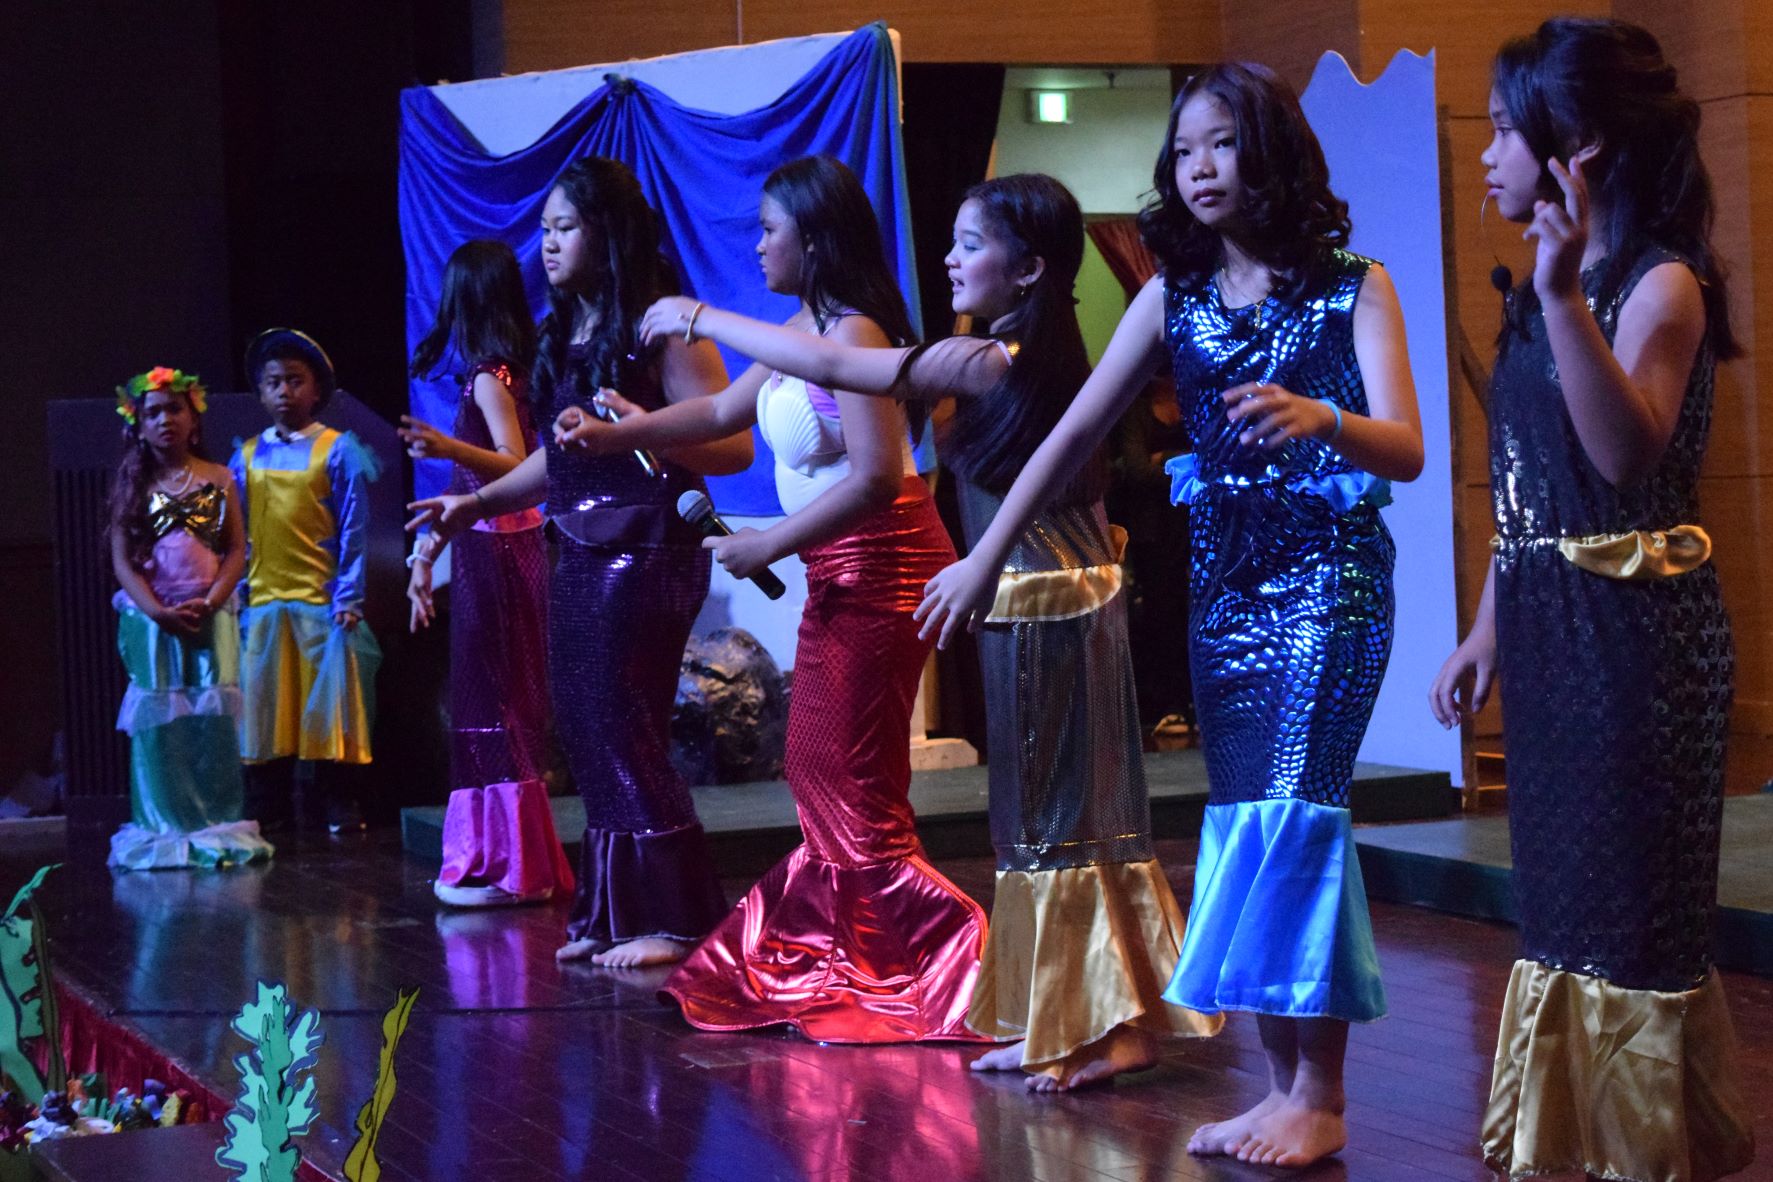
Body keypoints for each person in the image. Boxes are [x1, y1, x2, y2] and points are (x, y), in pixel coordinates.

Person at [917, 65, 1424, 1166]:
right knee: (1244, 826)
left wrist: (1322, 417)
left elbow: (1407, 449)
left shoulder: (1355, 285)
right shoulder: (1170, 296)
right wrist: (982, 558)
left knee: (1295, 816)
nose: (1198, 167)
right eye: (1183, 149)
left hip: (1328, 584)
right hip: (1225, 594)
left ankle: (1321, 1093)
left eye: (1222, 144)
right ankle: (1281, 1087)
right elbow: (1065, 438)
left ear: (1271, 153)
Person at [638, 173, 1222, 1087]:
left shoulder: (990, 362)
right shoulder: (993, 353)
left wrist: (701, 317)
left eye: (970, 245)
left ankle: (1107, 1024)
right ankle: (1063, 1012)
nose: (948, 259)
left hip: (1050, 602)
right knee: (1034, 824)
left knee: (1065, 821)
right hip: (1024, 600)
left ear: (1029, 269)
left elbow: (846, 370)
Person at [561, 155, 986, 1042]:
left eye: (767, 229)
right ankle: (859, 957)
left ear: (813, 237)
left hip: (883, 561)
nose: (755, 246)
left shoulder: (855, 333)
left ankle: (943, 963)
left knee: (842, 773)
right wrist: (621, 432)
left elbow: (877, 477)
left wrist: (767, 543)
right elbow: (721, 416)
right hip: (840, 567)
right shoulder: (805, 328)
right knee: (819, 768)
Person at [1431, 18, 1755, 1181]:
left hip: (1637, 643)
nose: (1486, 153)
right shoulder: (1544, 286)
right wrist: (1486, 629)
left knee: (1631, 918)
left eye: (1504, 129)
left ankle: (1644, 1155)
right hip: (1550, 632)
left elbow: (1621, 461)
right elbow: (1531, 485)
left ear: (1582, 145)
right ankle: (1576, 1145)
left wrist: (1564, 297)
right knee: (1566, 912)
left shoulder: (1662, 282)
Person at [407, 157, 750, 967]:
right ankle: (612, 910)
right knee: (587, 728)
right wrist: (474, 505)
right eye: (546, 228)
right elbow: (557, 459)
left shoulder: (659, 325)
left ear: (609, 232)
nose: (549, 243)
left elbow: (732, 447)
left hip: (651, 546)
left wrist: (637, 430)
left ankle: (677, 916)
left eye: (564, 227)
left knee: (624, 725)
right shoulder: (564, 328)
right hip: (583, 545)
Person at [404, 238, 572, 908]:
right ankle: (501, 857)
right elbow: (467, 488)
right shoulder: (505, 374)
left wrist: (449, 444)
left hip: (502, 553)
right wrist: (424, 559)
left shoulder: (489, 378)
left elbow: (514, 464)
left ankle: (506, 863)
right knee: (495, 700)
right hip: (490, 550)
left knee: (495, 702)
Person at [106, 367, 271, 870]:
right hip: (153, 617)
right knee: (162, 721)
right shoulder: (134, 483)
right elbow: (122, 560)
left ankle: (214, 820)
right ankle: (165, 823)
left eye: (174, 409)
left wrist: (214, 599)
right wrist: (157, 610)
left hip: (209, 611)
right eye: (153, 413)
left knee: (211, 720)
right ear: (138, 424)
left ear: (193, 417)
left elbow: (237, 548)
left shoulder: (218, 477)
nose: (165, 420)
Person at [231, 329, 381, 835]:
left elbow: (354, 527)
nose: (284, 392)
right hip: (265, 601)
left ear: (315, 390)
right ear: (260, 392)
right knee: (266, 705)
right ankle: (267, 803)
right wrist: (239, 593)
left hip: (320, 600)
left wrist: (349, 596)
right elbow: (239, 533)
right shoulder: (247, 456)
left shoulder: (336, 450)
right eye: (273, 382)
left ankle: (338, 800)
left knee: (331, 704)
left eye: (295, 381)